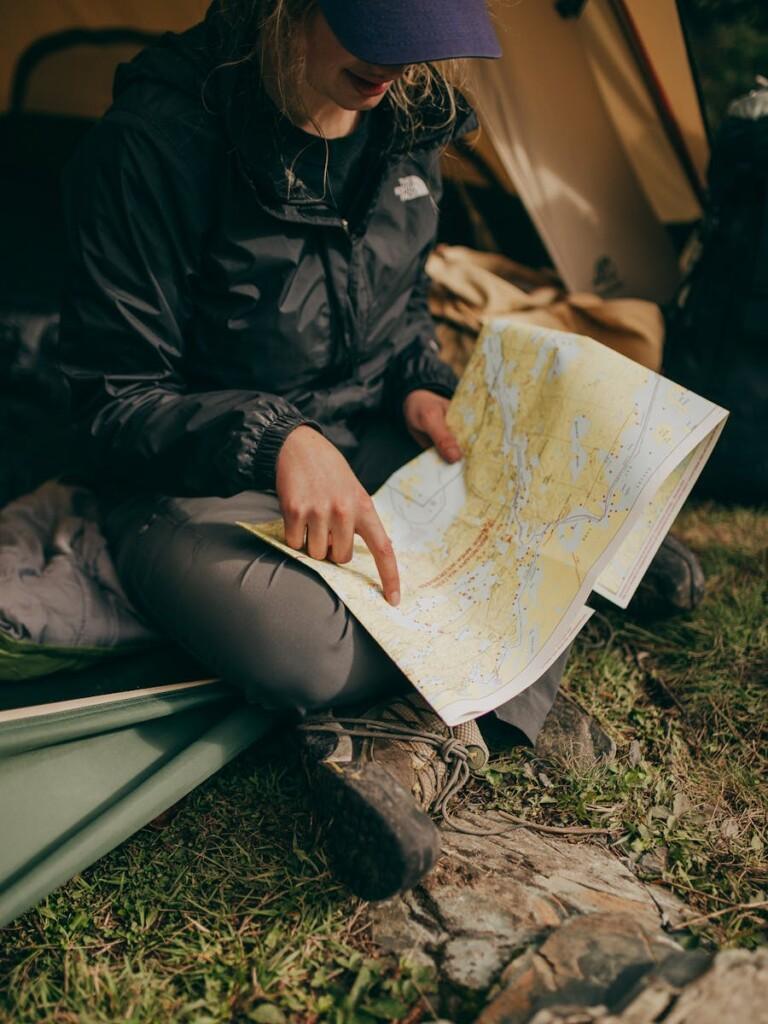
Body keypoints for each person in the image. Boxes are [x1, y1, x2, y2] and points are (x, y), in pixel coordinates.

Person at [58, 0, 701, 901]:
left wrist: (419, 386)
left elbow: (396, 317)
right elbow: (110, 399)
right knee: (301, 652)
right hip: (200, 476)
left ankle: (413, 726)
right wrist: (275, 438)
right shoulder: (157, 142)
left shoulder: (408, 122)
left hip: (366, 441)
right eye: (379, 33)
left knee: (564, 473)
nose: (399, 67)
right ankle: (534, 635)